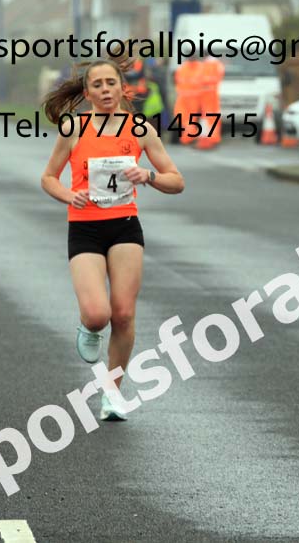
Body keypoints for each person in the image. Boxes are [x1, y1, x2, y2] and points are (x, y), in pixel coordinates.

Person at [41, 58, 186, 421]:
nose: (105, 90)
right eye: (98, 85)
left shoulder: (139, 129)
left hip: (124, 226)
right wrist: (65, 195)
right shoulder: (74, 127)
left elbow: (176, 180)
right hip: (85, 227)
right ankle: (89, 328)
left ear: (123, 89)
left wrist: (148, 175)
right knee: (97, 315)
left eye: (111, 83)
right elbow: (49, 177)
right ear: (87, 92)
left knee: (123, 313)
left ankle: (112, 393)